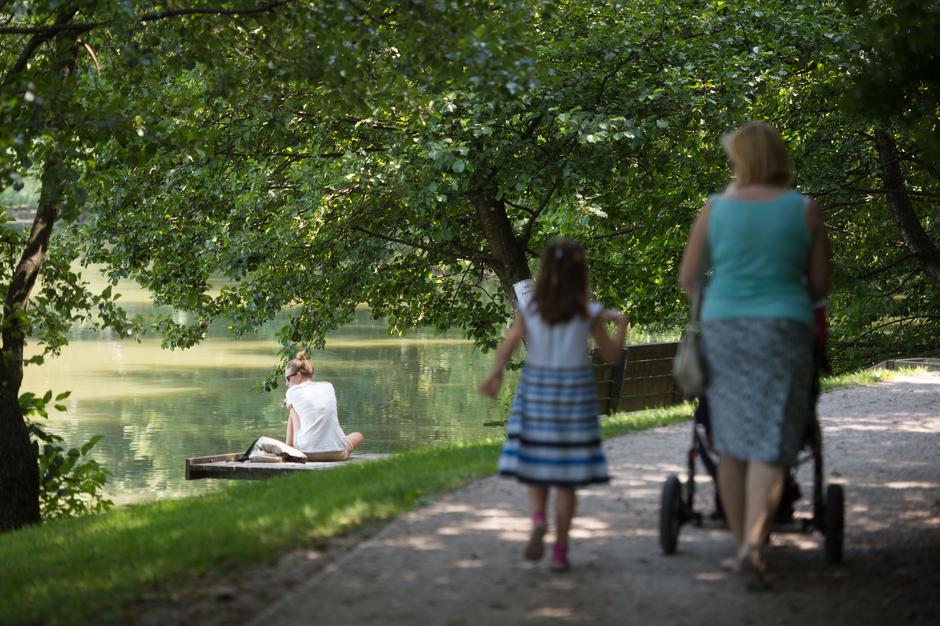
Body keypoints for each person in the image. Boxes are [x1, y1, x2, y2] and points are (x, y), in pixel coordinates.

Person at [679, 121, 831, 590]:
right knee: (771, 439)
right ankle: (753, 547)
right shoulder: (805, 209)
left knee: (730, 440)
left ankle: (739, 547)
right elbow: (820, 286)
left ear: (742, 161)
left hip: (725, 327)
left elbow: (688, 278)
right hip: (784, 327)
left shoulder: (715, 209)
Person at [480, 238, 628, 572]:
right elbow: (611, 356)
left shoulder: (530, 310)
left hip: (537, 397)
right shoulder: (588, 313)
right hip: (573, 400)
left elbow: (508, 346)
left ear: (545, 272)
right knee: (566, 480)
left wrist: (495, 375)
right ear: (581, 274)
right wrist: (621, 325)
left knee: (536, 465)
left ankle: (537, 518)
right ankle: (560, 551)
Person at [284, 351, 364, 461]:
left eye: (287, 378)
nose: (286, 383)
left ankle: (289, 447)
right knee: (358, 435)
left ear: (298, 375)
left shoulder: (292, 392)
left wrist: (290, 407)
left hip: (305, 453)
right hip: (338, 453)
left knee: (292, 408)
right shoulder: (328, 386)